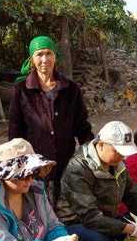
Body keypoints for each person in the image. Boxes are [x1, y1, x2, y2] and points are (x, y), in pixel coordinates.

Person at [56, 121, 137, 241]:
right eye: (117, 151)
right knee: (98, 240)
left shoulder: (117, 164)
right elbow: (89, 216)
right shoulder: (78, 168)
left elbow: (133, 193)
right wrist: (130, 228)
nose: (122, 156)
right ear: (101, 144)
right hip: (76, 222)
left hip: (105, 217)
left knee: (135, 229)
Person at [9, 35, 94, 201]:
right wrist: (17, 161)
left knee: (66, 208)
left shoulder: (71, 89)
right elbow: (15, 127)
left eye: (49, 54)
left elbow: (82, 125)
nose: (44, 59)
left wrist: (92, 153)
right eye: (39, 54)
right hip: (35, 161)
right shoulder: (22, 90)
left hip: (66, 158)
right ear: (32, 59)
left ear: (55, 57)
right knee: (38, 207)